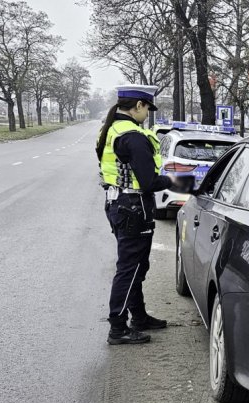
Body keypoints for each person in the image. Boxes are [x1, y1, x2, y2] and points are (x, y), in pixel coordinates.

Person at [95, 85, 192, 345]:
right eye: (148, 108)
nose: (147, 113)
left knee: (134, 265)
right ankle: (118, 328)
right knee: (129, 268)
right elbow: (148, 181)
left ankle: (138, 316)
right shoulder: (133, 136)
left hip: (118, 203)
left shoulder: (111, 129)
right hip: (133, 206)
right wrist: (184, 183)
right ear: (139, 105)